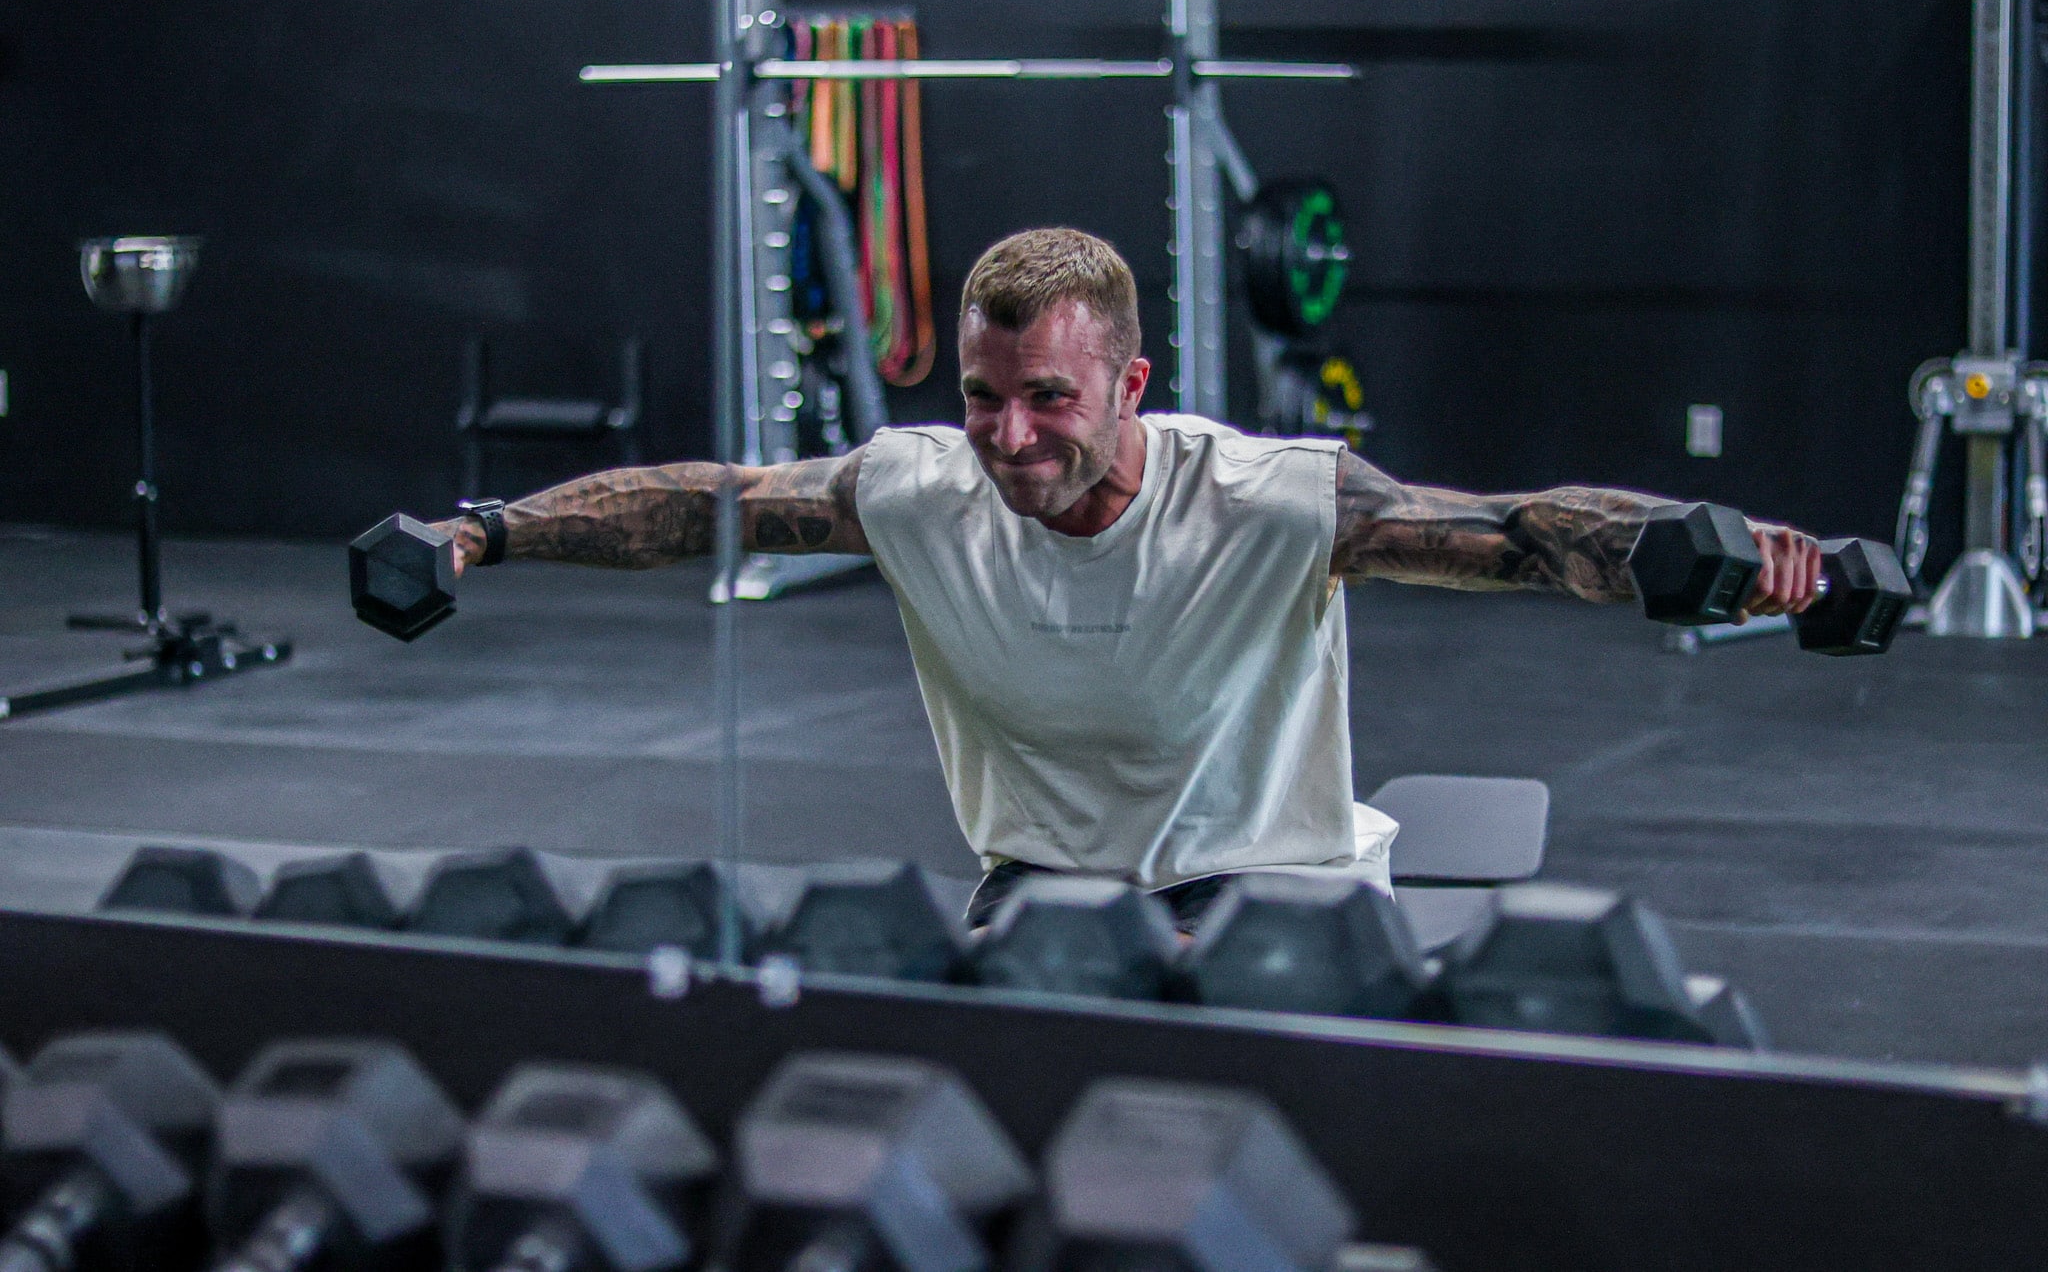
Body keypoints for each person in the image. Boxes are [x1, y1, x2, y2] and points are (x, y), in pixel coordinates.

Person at [436, 229, 1820, 928]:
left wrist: (1719, 560)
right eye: (983, 396)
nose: (1011, 437)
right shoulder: (918, 487)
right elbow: (702, 506)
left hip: (1277, 893)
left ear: (1131, 384)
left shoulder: (1268, 501)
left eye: (1047, 397)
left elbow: (1520, 533)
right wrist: (482, 531)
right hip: (1049, 895)